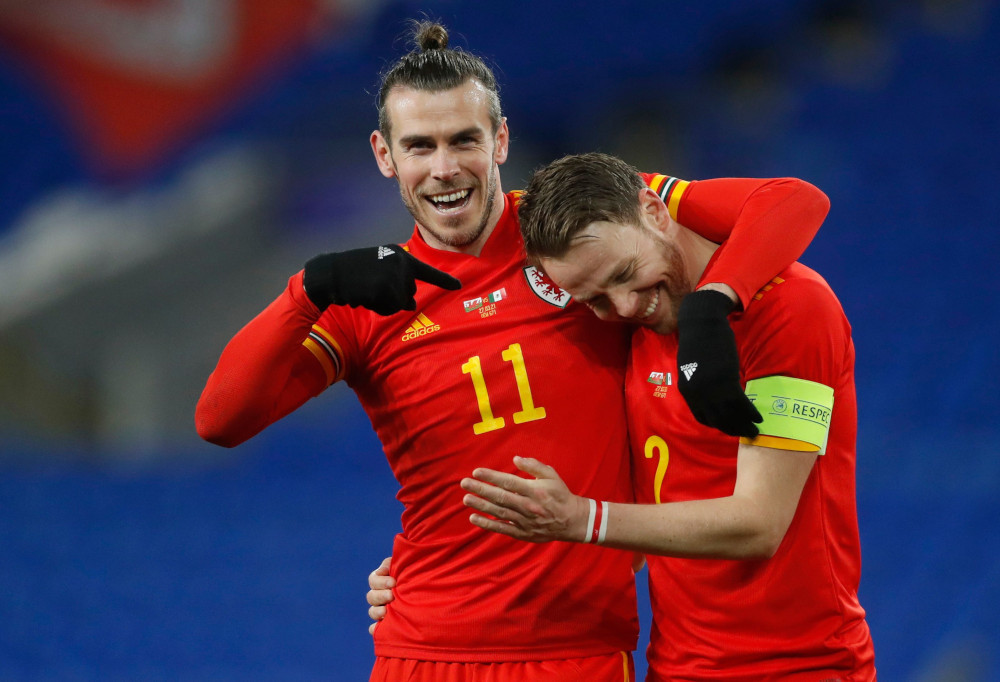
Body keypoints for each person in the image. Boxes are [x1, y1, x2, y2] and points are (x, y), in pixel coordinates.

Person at [196, 19, 830, 682]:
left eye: (464, 140)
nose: (444, 168)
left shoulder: (580, 233)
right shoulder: (366, 299)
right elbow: (220, 421)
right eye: (420, 146)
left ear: (499, 140)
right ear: (385, 156)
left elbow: (788, 202)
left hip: (576, 651)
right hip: (422, 649)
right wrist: (307, 291)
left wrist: (713, 302)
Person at [452, 152, 877, 680]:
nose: (625, 307)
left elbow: (759, 524)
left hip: (796, 666)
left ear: (655, 211)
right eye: (596, 300)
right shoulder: (635, 327)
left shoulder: (791, 308)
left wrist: (585, 518)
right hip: (674, 665)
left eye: (626, 274)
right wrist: (426, 584)